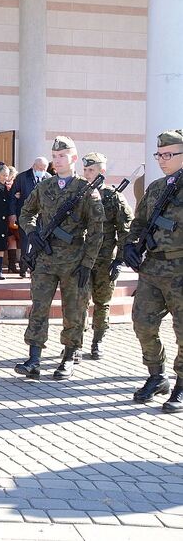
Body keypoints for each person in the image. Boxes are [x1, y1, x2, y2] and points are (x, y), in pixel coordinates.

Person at [15, 136, 104, 380]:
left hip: (74, 260)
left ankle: (68, 358)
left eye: (62, 156)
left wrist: (88, 263)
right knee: (39, 307)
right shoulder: (44, 186)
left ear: (73, 158)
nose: (57, 160)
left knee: (74, 310)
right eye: (54, 157)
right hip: (46, 257)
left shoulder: (86, 190)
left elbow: (97, 231)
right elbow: (26, 213)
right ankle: (34, 358)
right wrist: (32, 233)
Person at [124, 130, 183, 412]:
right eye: (159, 154)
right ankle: (157, 375)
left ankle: (181, 384)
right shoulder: (157, 187)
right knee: (142, 322)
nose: (162, 159)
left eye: (169, 154)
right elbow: (140, 221)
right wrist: (130, 245)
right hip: (153, 267)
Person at [81, 152, 132, 360]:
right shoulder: (80, 194)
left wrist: (119, 260)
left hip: (104, 260)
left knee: (102, 302)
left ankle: (97, 342)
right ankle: (75, 343)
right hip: (82, 258)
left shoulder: (114, 197)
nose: (87, 174)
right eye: (85, 170)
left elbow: (125, 230)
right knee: (79, 302)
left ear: (102, 171)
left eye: (91, 170)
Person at [13, 156, 50, 277]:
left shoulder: (49, 178)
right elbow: (12, 196)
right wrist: (12, 214)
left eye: (44, 168)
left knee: (39, 241)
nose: (42, 170)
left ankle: (35, 268)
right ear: (34, 166)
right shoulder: (22, 177)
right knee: (25, 242)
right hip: (26, 215)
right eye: (40, 168)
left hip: (43, 217)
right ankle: (23, 268)